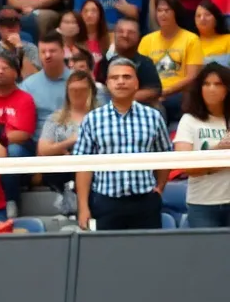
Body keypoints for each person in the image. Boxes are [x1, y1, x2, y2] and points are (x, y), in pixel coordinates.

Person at [73, 59, 171, 231]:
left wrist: (159, 188)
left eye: (127, 77)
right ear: (107, 84)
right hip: (106, 202)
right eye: (114, 77)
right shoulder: (93, 119)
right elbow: (83, 166)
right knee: (108, 256)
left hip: (145, 202)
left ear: (136, 83)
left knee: (148, 255)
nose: (120, 81)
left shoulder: (153, 117)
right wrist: (83, 207)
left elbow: (166, 156)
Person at [172, 63, 230, 228]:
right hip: (202, 203)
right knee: (208, 253)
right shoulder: (189, 120)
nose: (211, 89)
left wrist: (209, 162)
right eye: (206, 84)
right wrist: (221, 151)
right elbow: (187, 167)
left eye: (218, 84)